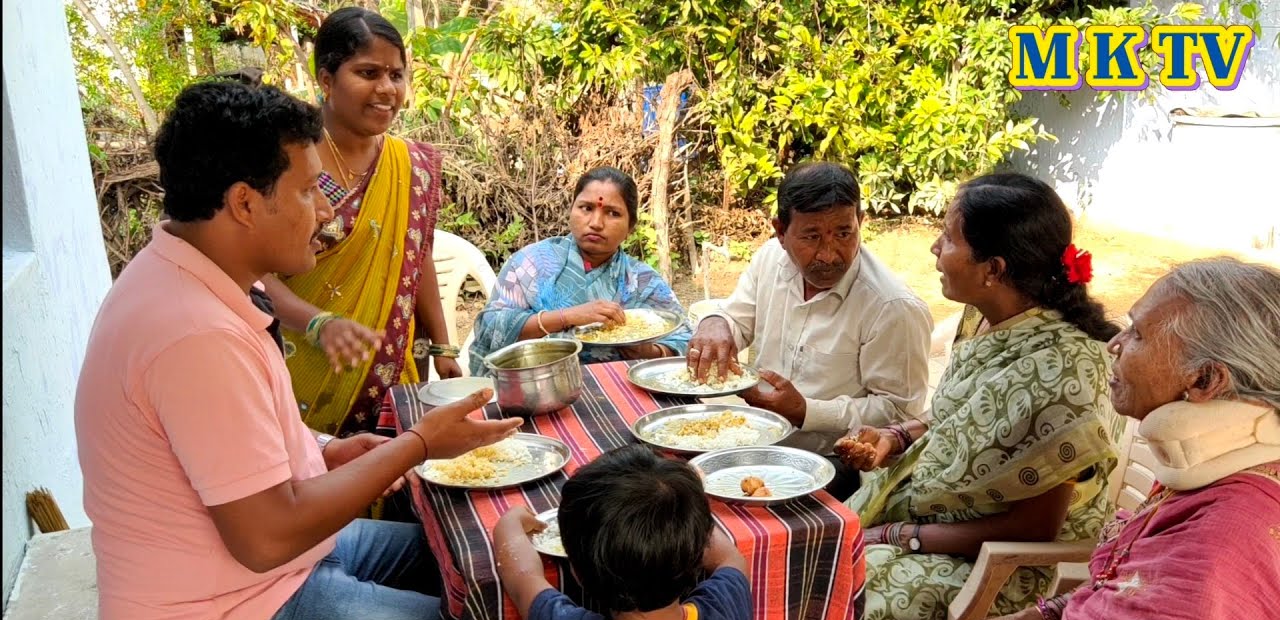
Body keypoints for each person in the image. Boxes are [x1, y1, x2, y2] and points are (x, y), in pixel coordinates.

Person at [74, 81, 523, 620]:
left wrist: (331, 451)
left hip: (265, 573)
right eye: (309, 190)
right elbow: (266, 537)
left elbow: (230, 438)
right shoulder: (193, 333)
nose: (327, 213)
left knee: (473, 562)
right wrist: (418, 445)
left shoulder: (188, 280)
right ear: (244, 203)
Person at [890, 257, 1280, 620]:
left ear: (1204, 380)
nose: (1114, 344)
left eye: (1137, 334)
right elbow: (1136, 595)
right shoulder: (1212, 473)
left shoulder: (1229, 533)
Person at [840, 173, 1125, 620]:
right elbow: (956, 414)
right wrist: (899, 436)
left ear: (993, 269)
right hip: (943, 521)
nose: (933, 247)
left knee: (852, 586)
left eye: (948, 238)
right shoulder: (988, 318)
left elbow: (1037, 527)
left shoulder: (1064, 370)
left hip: (1012, 563)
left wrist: (901, 536)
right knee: (828, 539)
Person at [260, 7, 461, 438]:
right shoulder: (289, 161)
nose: (387, 89)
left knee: (397, 481)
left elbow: (416, 251)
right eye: (368, 72)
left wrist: (443, 345)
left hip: (388, 369)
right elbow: (249, 273)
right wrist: (317, 322)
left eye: (397, 74)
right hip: (301, 370)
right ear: (327, 80)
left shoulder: (411, 165)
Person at [687, 161, 933, 466]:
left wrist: (807, 411)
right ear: (780, 231)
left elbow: (900, 414)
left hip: (834, 465)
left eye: (844, 233)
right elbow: (736, 320)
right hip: (753, 438)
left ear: (861, 222)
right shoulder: (770, 259)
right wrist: (715, 322)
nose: (828, 254)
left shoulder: (893, 308)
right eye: (811, 237)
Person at [492, 445, 752, 620]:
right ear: (698, 552)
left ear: (578, 574)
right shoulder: (724, 612)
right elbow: (730, 558)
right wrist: (685, 508)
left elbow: (522, 575)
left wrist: (509, 521)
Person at [468, 167, 691, 375]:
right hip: (534, 383)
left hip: (617, 390)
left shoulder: (642, 281)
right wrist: (567, 317)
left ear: (630, 227)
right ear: (571, 210)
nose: (596, 222)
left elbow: (685, 338)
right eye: (586, 208)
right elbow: (490, 327)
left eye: (613, 213)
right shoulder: (531, 263)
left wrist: (650, 352)